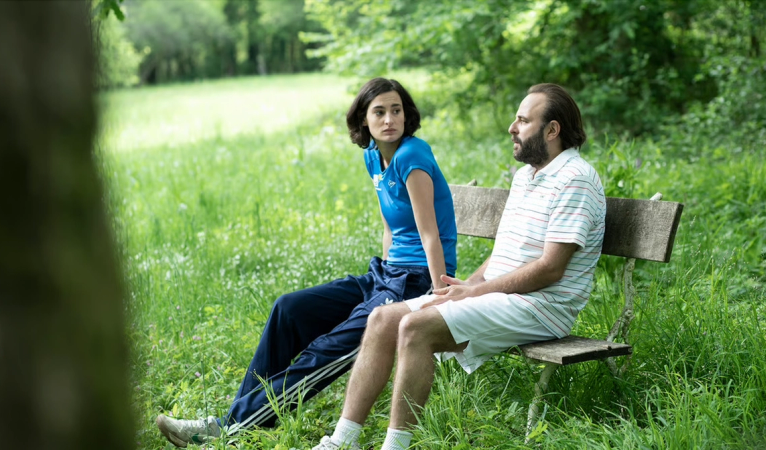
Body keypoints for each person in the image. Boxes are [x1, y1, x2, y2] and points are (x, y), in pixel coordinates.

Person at [155, 77, 458, 448]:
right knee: (289, 309)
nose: (389, 119)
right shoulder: (373, 156)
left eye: (396, 110)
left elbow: (430, 234)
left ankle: (227, 428)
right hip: (386, 275)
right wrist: (380, 275)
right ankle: (239, 420)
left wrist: (439, 294)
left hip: (417, 280)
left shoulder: (412, 156)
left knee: (327, 350)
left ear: (406, 114)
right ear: (363, 120)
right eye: (379, 112)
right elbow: (389, 225)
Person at [311, 83, 606, 450]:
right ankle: (342, 441)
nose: (512, 128)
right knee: (382, 319)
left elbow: (550, 269)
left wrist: (475, 292)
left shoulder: (575, 180)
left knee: (415, 326)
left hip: (543, 306)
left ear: (552, 130)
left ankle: (395, 447)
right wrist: (465, 287)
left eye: (523, 120)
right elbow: (504, 254)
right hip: (505, 296)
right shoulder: (527, 176)